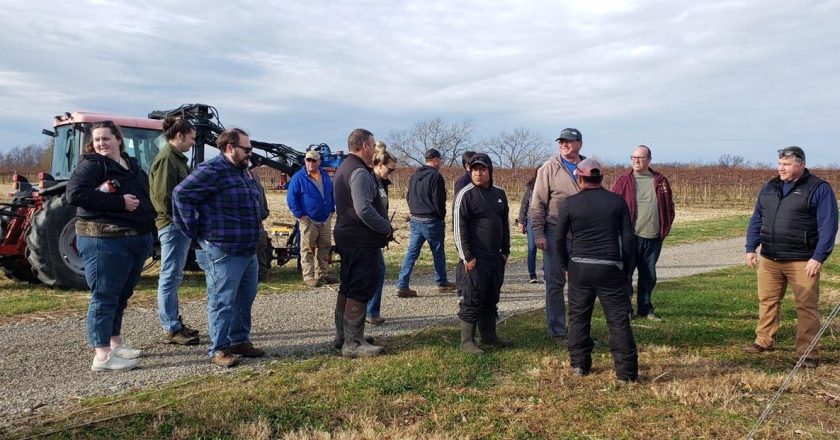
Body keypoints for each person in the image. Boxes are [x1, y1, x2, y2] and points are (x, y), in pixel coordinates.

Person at [172, 128, 266, 368]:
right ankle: (219, 348)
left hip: (247, 249)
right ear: (230, 148)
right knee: (222, 301)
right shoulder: (212, 170)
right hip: (223, 250)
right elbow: (180, 194)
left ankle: (239, 340)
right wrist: (193, 231)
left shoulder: (242, 172)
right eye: (246, 149)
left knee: (244, 298)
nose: (249, 153)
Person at [67, 120, 156, 371]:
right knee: (104, 295)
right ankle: (102, 355)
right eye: (97, 140)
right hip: (104, 240)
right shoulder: (92, 165)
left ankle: (114, 342)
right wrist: (119, 203)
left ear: (118, 139)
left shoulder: (130, 165)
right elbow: (74, 195)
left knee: (121, 295)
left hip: (134, 238)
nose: (101, 143)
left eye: (106, 138)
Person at [743, 146, 837, 369]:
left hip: (802, 260)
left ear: (800, 164)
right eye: (779, 164)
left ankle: (808, 352)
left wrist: (818, 257)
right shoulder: (770, 187)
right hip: (770, 258)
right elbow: (757, 218)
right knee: (767, 301)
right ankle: (763, 340)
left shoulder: (819, 189)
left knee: (806, 306)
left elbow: (829, 225)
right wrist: (750, 247)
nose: (780, 168)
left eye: (786, 164)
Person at [556, 159, 638, 385]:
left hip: (579, 268)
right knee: (618, 320)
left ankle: (580, 364)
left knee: (579, 317)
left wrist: (567, 266)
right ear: (601, 178)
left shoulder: (569, 204)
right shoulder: (617, 202)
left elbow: (559, 239)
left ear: (579, 178)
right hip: (610, 267)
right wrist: (627, 270)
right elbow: (629, 239)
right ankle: (626, 373)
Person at [332, 128, 391, 357]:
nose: (375, 149)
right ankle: (353, 344)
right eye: (373, 144)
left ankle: (344, 336)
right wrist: (385, 226)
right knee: (359, 286)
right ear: (365, 146)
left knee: (347, 286)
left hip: (348, 237)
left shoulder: (344, 167)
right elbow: (363, 208)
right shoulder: (358, 172)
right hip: (360, 239)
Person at [529, 127, 585, 341]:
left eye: (569, 141)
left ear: (579, 143)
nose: (564, 145)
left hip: (581, 234)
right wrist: (538, 233)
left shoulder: (587, 166)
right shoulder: (548, 168)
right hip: (554, 232)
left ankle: (578, 329)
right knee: (555, 282)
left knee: (580, 283)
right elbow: (537, 204)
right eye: (561, 141)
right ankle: (557, 329)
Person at [148, 116, 200, 345]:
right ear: (179, 136)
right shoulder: (168, 159)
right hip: (173, 226)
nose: (193, 143)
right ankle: (170, 327)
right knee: (170, 276)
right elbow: (162, 198)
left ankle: (175, 323)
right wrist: (181, 220)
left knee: (174, 275)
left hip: (178, 225)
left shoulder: (177, 159)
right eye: (191, 138)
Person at [453, 153, 511, 354]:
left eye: (483, 169)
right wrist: (467, 256)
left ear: (489, 171)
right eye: (475, 169)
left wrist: (505, 251)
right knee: (472, 297)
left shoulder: (500, 194)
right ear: (470, 171)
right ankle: (467, 341)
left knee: (491, 296)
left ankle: (489, 335)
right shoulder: (465, 195)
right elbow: (458, 228)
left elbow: (504, 224)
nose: (478, 173)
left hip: (495, 258)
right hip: (474, 259)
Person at [610, 145, 675, 321]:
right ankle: (626, 309)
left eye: (640, 157)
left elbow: (669, 206)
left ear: (649, 159)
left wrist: (665, 227)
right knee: (626, 275)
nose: (636, 161)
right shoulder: (623, 180)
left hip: (653, 237)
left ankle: (645, 309)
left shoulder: (660, 180)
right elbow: (613, 206)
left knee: (649, 275)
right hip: (630, 237)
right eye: (633, 157)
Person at [395, 148, 455, 297]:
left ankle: (402, 284)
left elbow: (408, 196)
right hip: (431, 220)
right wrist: (441, 216)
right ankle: (441, 282)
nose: (441, 162)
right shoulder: (436, 177)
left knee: (411, 253)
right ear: (435, 159)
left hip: (415, 219)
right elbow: (438, 200)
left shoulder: (415, 175)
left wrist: (414, 210)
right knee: (438, 252)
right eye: (440, 159)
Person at [286, 149, 336, 287]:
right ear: (305, 161)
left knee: (325, 247)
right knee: (307, 249)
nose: (311, 163)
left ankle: (322, 274)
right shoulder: (298, 178)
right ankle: (308, 276)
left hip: (325, 219)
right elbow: (291, 198)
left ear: (319, 162)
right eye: (308, 160)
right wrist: (300, 215)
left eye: (314, 160)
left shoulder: (325, 175)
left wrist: (332, 209)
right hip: (309, 220)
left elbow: (331, 193)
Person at [366, 141, 399, 326]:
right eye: (390, 169)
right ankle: (370, 312)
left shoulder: (381, 182)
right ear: (379, 165)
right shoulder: (369, 180)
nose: (391, 173)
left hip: (378, 233)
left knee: (377, 270)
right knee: (376, 270)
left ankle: (371, 311)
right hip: (369, 234)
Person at [517, 169, 541, 283]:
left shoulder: (552, 187)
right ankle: (532, 274)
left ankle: (546, 273)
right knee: (532, 248)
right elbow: (524, 204)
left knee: (548, 248)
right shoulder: (530, 188)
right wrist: (521, 221)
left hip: (548, 220)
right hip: (532, 219)